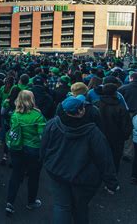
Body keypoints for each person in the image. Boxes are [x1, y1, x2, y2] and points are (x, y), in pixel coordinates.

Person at [41, 95, 119, 224]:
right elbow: (104, 159)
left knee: (61, 206)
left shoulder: (52, 124)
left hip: (56, 172)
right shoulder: (93, 132)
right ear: (80, 112)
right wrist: (111, 182)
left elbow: (43, 146)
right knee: (80, 209)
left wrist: (46, 161)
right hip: (82, 177)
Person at [6, 90, 46, 216]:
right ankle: (31, 201)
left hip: (17, 148)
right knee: (34, 176)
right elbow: (42, 136)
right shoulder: (38, 116)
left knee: (16, 174)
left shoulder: (14, 115)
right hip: (33, 149)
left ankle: (9, 202)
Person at [95, 83, 132, 172]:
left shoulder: (96, 104)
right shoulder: (121, 107)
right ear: (115, 92)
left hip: (99, 135)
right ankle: (112, 176)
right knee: (115, 158)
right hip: (117, 137)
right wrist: (124, 136)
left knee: (100, 156)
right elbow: (126, 125)